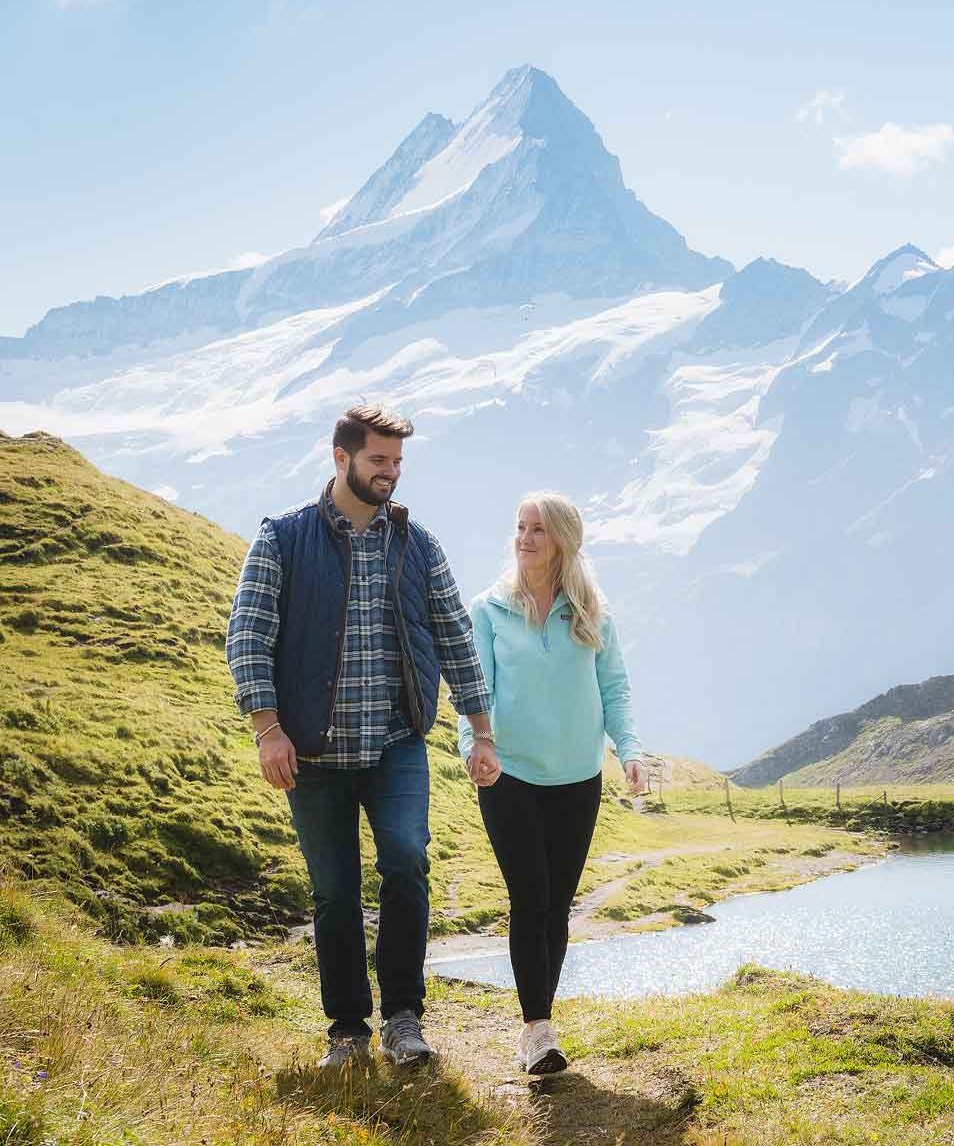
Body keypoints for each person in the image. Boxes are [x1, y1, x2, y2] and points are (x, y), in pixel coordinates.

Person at [226, 404, 493, 1069]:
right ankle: (347, 1029)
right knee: (334, 891)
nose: (390, 475)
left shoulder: (416, 544)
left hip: (397, 741)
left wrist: (481, 729)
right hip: (313, 750)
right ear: (340, 456)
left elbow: (456, 636)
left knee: (406, 861)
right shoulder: (283, 538)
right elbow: (248, 636)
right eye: (379, 461)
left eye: (397, 463)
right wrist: (268, 730)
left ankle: (404, 1017)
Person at [461, 491, 648, 1075]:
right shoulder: (488, 610)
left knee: (558, 908)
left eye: (538, 529)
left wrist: (630, 750)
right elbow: (473, 692)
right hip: (509, 772)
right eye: (520, 526)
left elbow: (614, 689)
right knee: (530, 897)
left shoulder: (593, 613)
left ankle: (539, 1021)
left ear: (564, 540)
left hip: (578, 776)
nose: (525, 538)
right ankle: (537, 1031)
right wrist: (476, 747)